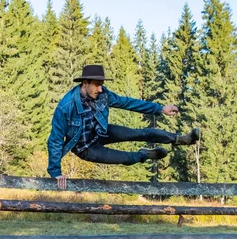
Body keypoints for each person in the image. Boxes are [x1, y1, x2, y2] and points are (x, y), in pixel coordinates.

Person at [47, 64, 199, 190]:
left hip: (100, 132)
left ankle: (180, 139)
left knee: (139, 133)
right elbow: (55, 140)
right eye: (97, 85)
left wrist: (160, 109)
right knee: (126, 158)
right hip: (86, 148)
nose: (100, 89)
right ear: (85, 83)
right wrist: (55, 171)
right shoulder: (66, 107)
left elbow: (127, 103)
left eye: (102, 85)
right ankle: (145, 155)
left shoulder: (103, 94)